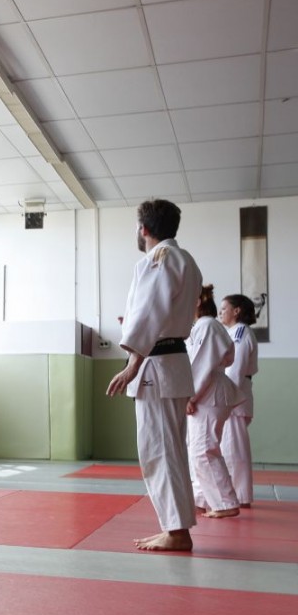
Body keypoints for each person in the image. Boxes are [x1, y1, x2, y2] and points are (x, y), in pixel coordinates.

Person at [107, 198, 202, 552]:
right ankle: (177, 527)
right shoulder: (186, 259)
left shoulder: (156, 258)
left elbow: (151, 310)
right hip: (173, 362)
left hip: (156, 367)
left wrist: (132, 364)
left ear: (143, 228)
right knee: (171, 449)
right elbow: (161, 312)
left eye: (137, 225)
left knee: (159, 451)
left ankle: (177, 531)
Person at [186, 285, 242, 518]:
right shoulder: (202, 327)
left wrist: (190, 396)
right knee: (197, 449)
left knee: (203, 450)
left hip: (210, 392)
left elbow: (203, 365)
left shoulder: (207, 326)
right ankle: (201, 498)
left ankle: (226, 502)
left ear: (197, 301)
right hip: (207, 392)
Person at [219, 293, 259, 509]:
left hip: (235, 395)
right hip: (234, 394)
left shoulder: (241, 333)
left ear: (237, 311)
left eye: (224, 308)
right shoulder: (232, 333)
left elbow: (235, 370)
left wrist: (227, 398)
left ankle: (241, 496)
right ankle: (235, 494)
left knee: (234, 450)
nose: (220, 312)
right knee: (229, 448)